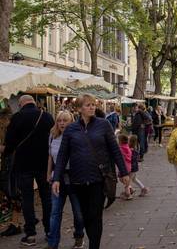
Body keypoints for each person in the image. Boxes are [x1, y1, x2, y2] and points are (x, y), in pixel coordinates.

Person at [52, 94, 129, 249]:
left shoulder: (103, 124)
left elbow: (115, 150)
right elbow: (62, 155)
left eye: (93, 104)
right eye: (88, 105)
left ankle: (94, 246)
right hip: (78, 180)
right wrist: (56, 178)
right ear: (79, 109)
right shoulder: (71, 129)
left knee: (96, 216)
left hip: (98, 179)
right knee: (85, 218)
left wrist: (124, 172)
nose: (92, 107)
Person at [3, 95, 54, 246]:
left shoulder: (17, 117)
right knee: (46, 198)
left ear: (21, 104)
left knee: (27, 199)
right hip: (44, 164)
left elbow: (10, 144)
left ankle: (30, 234)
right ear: (34, 103)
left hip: (23, 165)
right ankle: (49, 231)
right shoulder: (47, 116)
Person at [46, 111, 85, 249]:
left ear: (71, 121)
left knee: (78, 213)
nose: (62, 123)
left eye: (65, 120)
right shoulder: (53, 136)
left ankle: (79, 235)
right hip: (58, 177)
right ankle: (53, 243)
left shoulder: (77, 135)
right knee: (55, 213)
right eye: (59, 120)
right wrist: (48, 174)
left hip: (74, 177)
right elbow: (50, 156)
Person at [0, 107, 23, 238]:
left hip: (11, 166)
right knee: (11, 192)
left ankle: (15, 223)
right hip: (9, 165)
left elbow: (8, 148)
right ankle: (15, 222)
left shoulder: (11, 130)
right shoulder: (11, 129)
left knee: (12, 192)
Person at [118, 134, 133, 200]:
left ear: (120, 141)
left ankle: (128, 194)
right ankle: (129, 187)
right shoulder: (127, 147)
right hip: (129, 166)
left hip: (124, 167)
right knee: (125, 179)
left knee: (122, 179)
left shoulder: (121, 148)